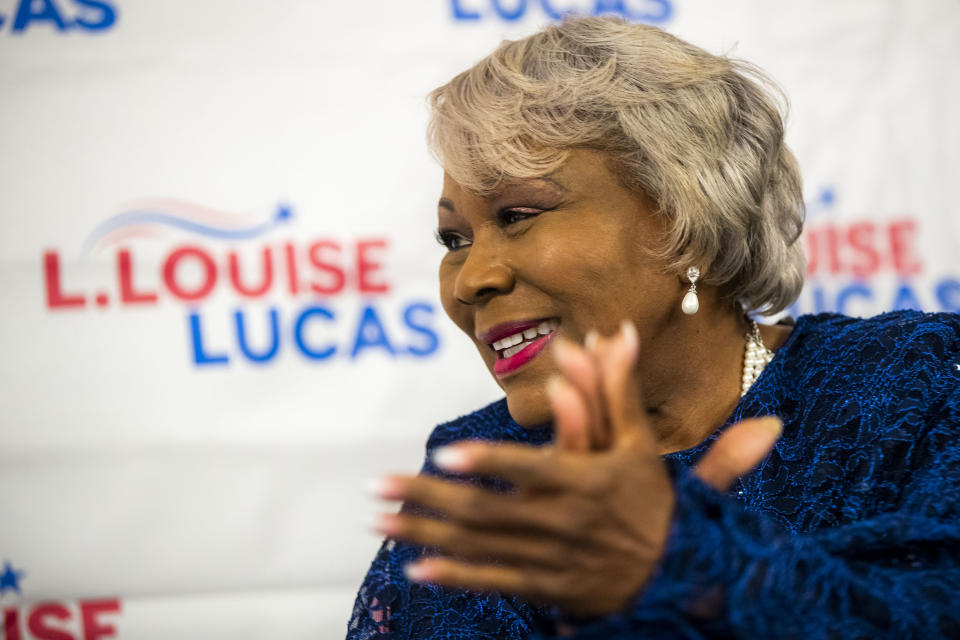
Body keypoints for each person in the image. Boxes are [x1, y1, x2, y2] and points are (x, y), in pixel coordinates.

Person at [347, 16, 960, 639]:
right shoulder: (478, 475)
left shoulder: (912, 383)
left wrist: (703, 574)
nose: (468, 280)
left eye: (518, 215)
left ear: (685, 220)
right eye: (455, 238)